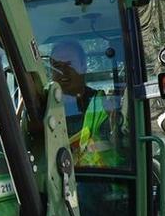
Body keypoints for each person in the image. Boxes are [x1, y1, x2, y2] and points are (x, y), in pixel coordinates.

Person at [48, 39, 123, 168]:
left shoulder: (103, 105)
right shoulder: (41, 108)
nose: (63, 72)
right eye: (57, 66)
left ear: (84, 66)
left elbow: (122, 146)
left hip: (101, 179)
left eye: (69, 64)